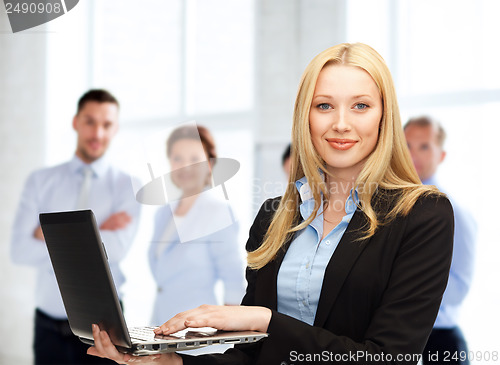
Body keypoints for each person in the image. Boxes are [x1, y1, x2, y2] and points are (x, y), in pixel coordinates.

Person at [88, 43, 454, 365]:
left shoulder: (422, 215)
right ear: (304, 118)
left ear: (383, 116)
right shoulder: (274, 217)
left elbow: (386, 358)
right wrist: (170, 363)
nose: (341, 124)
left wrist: (264, 320)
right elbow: (251, 357)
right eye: (324, 105)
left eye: (361, 106)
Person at [10, 89, 141, 365]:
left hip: (106, 332)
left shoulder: (127, 186)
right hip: (48, 327)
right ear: (75, 123)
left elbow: (116, 250)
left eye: (107, 125)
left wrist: (48, 234)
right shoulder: (40, 181)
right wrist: (94, 234)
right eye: (90, 122)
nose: (98, 133)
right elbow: (20, 250)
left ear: (115, 128)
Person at [148, 125, 245, 351]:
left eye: (194, 159)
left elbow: (233, 283)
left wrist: (232, 345)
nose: (185, 166)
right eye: (178, 158)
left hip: (198, 337)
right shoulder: (163, 214)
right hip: (159, 328)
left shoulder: (218, 213)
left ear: (209, 165)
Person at [404, 116, 476, 365]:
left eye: (424, 146)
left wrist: (405, 293)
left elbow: (459, 289)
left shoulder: (454, 212)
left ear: (441, 155)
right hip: (399, 339)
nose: (413, 154)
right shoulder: (388, 207)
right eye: (407, 145)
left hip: (440, 342)